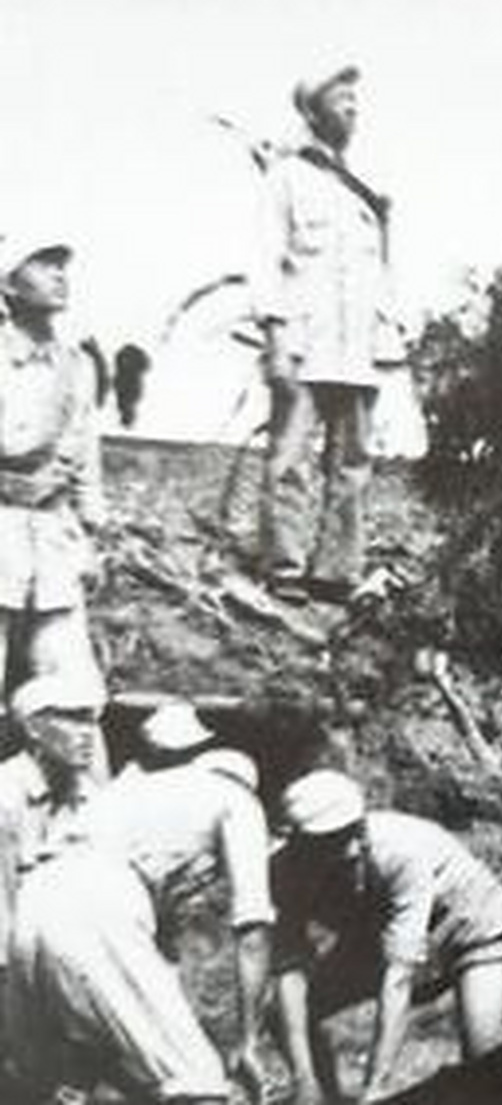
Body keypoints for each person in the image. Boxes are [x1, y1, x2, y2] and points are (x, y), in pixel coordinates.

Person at [3, 712, 273, 1103]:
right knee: (198, 1080)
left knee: (69, 1077)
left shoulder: (120, 793)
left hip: (34, 904)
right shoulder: (235, 798)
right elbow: (253, 931)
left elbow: (153, 953)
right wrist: (250, 1040)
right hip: (98, 901)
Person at [272, 769, 502, 1104]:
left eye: (347, 836)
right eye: (322, 842)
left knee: (483, 1052)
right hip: (380, 930)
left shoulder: (399, 852)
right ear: (297, 841)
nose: (339, 850)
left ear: (360, 828)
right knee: (282, 1014)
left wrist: (377, 1086)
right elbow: (290, 971)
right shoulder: (282, 871)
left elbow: (398, 978)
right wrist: (304, 1079)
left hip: (472, 928)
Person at [255, 62, 403, 604]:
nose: (352, 109)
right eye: (342, 99)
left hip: (358, 348)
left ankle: (336, 571)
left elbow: (382, 274)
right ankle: (285, 568)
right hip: (303, 344)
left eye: (356, 101)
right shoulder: (286, 178)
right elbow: (265, 260)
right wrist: (274, 338)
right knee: (290, 457)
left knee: (353, 464)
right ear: (314, 110)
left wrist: (389, 342)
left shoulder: (364, 192)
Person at [0, 233, 106, 697]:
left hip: (52, 539)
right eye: (43, 264)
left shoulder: (77, 366)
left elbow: (85, 458)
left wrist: (91, 537)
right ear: (9, 283)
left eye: (62, 265)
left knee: (73, 692)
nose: (60, 275)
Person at [0, 675, 105, 1089]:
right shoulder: (5, 798)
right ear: (33, 729)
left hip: (68, 965)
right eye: (75, 720)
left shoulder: (87, 796)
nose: (88, 734)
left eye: (93, 721)